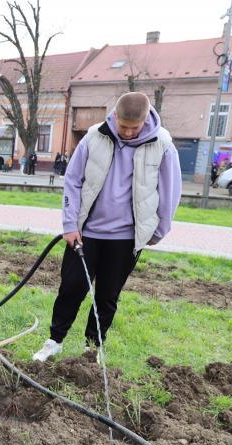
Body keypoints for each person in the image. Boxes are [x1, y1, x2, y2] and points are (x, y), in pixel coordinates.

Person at [32, 92, 182, 362]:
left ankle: (92, 349)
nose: (126, 131)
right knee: (71, 288)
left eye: (133, 128)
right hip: (86, 234)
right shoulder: (93, 137)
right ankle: (54, 341)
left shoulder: (162, 144)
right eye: (123, 125)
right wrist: (69, 224)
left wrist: (159, 230)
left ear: (145, 119)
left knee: (107, 297)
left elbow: (170, 191)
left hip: (126, 240)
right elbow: (73, 181)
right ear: (114, 115)